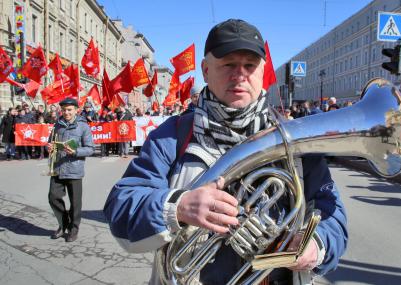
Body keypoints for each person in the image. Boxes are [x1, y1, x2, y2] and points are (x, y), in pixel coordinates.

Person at [104, 19, 347, 285]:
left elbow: (331, 210)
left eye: (249, 66)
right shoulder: (172, 136)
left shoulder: (296, 138)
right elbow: (121, 206)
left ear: (262, 72)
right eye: (228, 64)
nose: (240, 75)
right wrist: (178, 206)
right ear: (206, 71)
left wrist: (317, 243)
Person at [47, 98, 94, 242]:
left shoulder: (83, 126)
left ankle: (73, 229)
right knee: (53, 197)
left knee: (75, 202)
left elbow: (90, 149)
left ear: (76, 110)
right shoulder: (57, 125)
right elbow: (50, 142)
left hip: (74, 169)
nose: (66, 112)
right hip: (58, 168)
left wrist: (75, 151)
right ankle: (64, 223)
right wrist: (48, 147)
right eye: (64, 110)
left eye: (69, 110)